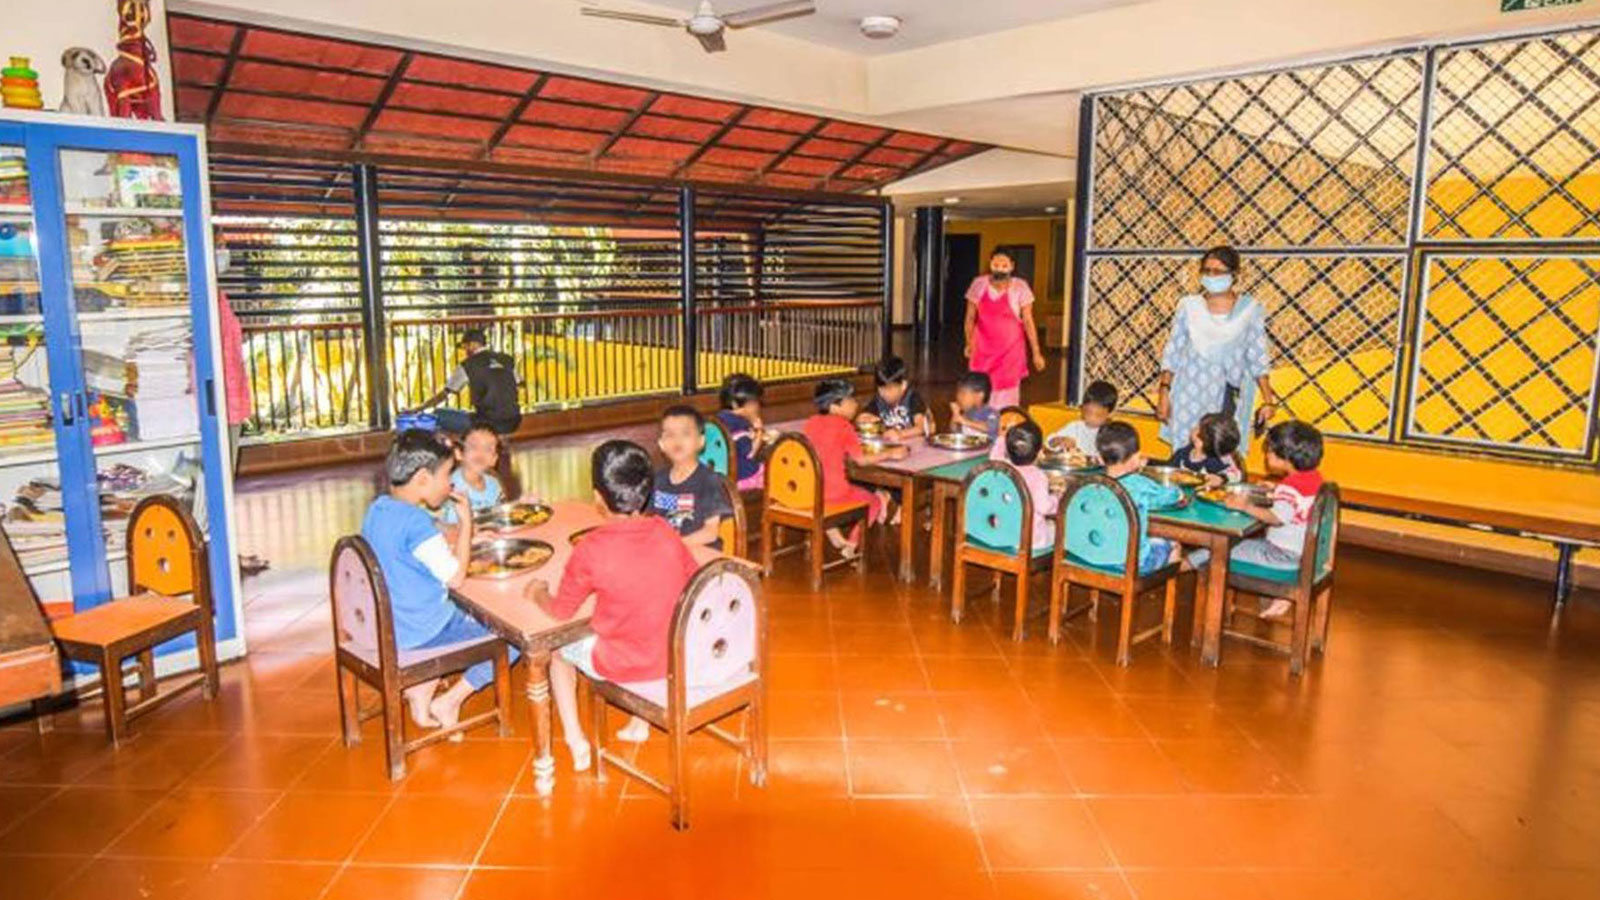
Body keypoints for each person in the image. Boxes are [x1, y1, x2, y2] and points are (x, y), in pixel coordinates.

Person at [531, 441, 703, 767]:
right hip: (673, 652)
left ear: (598, 497)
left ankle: (575, 739)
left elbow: (561, 611)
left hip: (625, 663)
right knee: (644, 619)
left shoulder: (591, 548)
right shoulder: (665, 530)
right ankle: (638, 723)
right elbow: (692, 580)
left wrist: (537, 593)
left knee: (557, 651)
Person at [361, 429, 519, 736]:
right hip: (423, 629)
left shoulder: (379, 508)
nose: (451, 484)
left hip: (389, 623)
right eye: (447, 475)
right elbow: (457, 578)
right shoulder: (415, 522)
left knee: (464, 610)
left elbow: (413, 551)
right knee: (514, 636)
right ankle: (451, 699)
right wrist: (466, 524)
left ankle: (421, 691)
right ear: (422, 479)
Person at [1155, 245, 1278, 454]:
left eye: (1218, 272)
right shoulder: (1189, 306)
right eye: (1207, 271)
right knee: (1186, 452)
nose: (1211, 276)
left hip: (1226, 394)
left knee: (1219, 452)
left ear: (1234, 274)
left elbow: (1257, 357)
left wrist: (1268, 400)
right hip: (1187, 393)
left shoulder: (1249, 309)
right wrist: (1164, 393)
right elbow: (1172, 352)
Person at [1222, 421, 1324, 619]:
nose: (1266, 455)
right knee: (1232, 546)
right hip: (1308, 555)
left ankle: (1178, 567)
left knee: (1216, 550)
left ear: (1285, 457)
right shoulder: (1314, 478)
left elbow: (1276, 518)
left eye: (1269, 451)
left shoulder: (1289, 487)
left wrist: (1245, 506)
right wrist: (1275, 490)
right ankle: (1285, 592)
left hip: (1282, 557)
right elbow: (1297, 503)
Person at [804, 378, 910, 557]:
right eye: (851, 400)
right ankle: (852, 544)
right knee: (873, 501)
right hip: (832, 493)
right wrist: (890, 454)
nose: (856, 404)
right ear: (835, 406)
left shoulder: (811, 423)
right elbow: (861, 460)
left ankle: (833, 530)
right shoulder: (844, 426)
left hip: (810, 490)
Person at [1094, 422, 1184, 574]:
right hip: (1132, 562)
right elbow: (1170, 496)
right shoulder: (1140, 485)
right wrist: (1178, 491)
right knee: (1173, 544)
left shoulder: (1092, 484)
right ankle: (1167, 594)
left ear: (1099, 459)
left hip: (1093, 556)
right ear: (1137, 457)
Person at [963, 248, 1047, 410]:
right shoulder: (978, 284)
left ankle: (1005, 427)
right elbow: (969, 318)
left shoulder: (1020, 287)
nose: (1000, 269)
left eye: (1004, 265)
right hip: (983, 348)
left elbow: (1028, 321)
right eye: (996, 264)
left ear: (1012, 266)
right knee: (981, 390)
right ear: (990, 264)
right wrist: (969, 342)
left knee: (1008, 395)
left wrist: (1036, 353)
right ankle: (979, 427)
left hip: (1011, 351)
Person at [652, 405, 734, 550]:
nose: (677, 440)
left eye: (685, 433)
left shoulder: (709, 481)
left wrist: (675, 545)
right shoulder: (658, 479)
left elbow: (710, 533)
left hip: (701, 552)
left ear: (701, 442)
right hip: (668, 552)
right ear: (662, 444)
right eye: (670, 435)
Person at [412, 328, 522, 435]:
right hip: (514, 421)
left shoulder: (467, 365)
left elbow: (444, 394)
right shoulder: (507, 359)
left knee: (438, 414)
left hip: (487, 423)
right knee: (468, 414)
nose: (465, 351)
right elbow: (520, 383)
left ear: (473, 344)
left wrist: (420, 408)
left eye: (466, 347)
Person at [1002, 420, 1059, 553]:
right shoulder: (1038, 476)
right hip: (1030, 540)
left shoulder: (1003, 469)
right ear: (1040, 453)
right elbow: (1044, 507)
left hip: (1002, 534)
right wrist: (1057, 497)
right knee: (1060, 530)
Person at [439, 423, 504, 525]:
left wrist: (521, 504)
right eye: (474, 447)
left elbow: (500, 516)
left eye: (488, 449)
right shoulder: (450, 486)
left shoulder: (494, 485)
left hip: (489, 534)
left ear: (494, 459)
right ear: (459, 453)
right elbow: (448, 525)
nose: (480, 453)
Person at [858, 355, 930, 439]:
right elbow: (863, 416)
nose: (885, 394)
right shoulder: (879, 400)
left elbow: (921, 428)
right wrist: (866, 419)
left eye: (890, 389)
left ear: (903, 385)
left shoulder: (913, 399)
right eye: (881, 389)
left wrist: (901, 434)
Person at [716, 373, 767, 492]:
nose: (757, 407)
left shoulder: (719, 419)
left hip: (720, 475)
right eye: (753, 404)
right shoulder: (738, 425)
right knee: (774, 473)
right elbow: (750, 453)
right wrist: (759, 431)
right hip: (741, 477)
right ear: (735, 404)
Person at [1170, 412, 1243, 487]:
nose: (1194, 427)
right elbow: (1169, 472)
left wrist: (1222, 478)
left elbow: (1237, 475)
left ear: (1198, 440)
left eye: (1197, 426)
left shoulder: (1221, 460)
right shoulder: (1181, 454)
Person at [1048, 380, 1117, 459]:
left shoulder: (1111, 434)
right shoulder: (1075, 428)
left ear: (1110, 414)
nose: (1092, 418)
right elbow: (1049, 443)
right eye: (1088, 412)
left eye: (1098, 415)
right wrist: (1059, 440)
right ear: (1082, 407)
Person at [949, 371, 1000, 440]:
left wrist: (964, 421)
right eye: (958, 393)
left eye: (963, 394)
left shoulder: (990, 413)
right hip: (968, 448)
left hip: (986, 450)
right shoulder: (966, 413)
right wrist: (955, 415)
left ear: (979, 396)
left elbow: (990, 428)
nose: (958, 397)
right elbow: (954, 431)